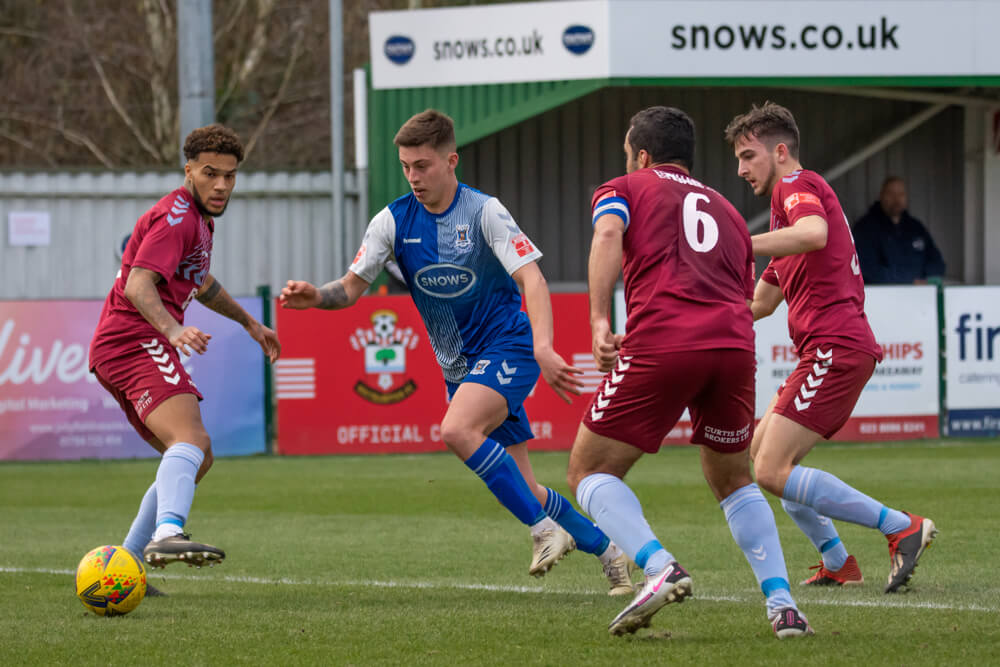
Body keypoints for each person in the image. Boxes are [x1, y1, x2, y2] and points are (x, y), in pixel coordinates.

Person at [280, 109, 635, 595]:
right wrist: (315, 298)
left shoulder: (484, 212)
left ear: (451, 161)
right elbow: (350, 287)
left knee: (456, 428)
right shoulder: (391, 221)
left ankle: (543, 529)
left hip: (508, 345)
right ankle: (610, 552)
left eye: (422, 165)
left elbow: (531, 278)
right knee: (525, 487)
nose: (413, 176)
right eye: (405, 165)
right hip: (462, 368)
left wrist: (544, 346)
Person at [566, 106, 813, 639]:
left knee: (587, 472)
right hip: (732, 345)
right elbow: (742, 286)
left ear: (642, 155)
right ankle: (784, 606)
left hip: (664, 340)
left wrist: (598, 318)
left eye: (628, 152)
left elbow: (608, 236)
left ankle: (657, 567)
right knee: (733, 478)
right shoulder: (725, 208)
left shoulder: (626, 186)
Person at [724, 102, 936, 594]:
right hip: (824, 348)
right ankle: (838, 560)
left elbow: (815, 233)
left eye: (748, 155)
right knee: (765, 456)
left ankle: (899, 525)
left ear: (780, 152)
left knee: (771, 468)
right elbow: (758, 303)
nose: (740, 168)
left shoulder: (798, 187)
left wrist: (738, 240)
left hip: (834, 346)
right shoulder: (785, 221)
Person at [89, 125, 282, 588]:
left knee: (199, 453)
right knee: (190, 441)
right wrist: (173, 330)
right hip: (133, 339)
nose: (221, 185)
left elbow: (201, 282)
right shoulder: (177, 218)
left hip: (125, 343)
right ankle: (168, 532)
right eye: (210, 174)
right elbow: (138, 284)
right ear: (189, 170)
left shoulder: (197, 221)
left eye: (230, 176)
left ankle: (128, 567)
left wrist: (249, 323)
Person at [852, 176, 946, 284]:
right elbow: (866, 269)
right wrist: (908, 281)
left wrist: (926, 279)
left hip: (921, 295)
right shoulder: (865, 228)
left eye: (901, 194)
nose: (896, 199)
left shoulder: (916, 228)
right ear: (881, 196)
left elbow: (937, 262)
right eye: (891, 194)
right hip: (883, 296)